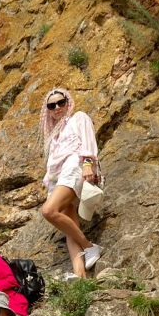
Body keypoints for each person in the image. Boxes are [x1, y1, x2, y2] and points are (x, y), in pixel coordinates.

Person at [37, 88, 102, 278]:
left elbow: (88, 141)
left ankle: (90, 246)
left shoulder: (78, 118)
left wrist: (89, 164)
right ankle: (81, 277)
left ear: (68, 103)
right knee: (69, 228)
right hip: (57, 179)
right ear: (47, 110)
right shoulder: (54, 136)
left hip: (74, 169)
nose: (57, 107)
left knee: (48, 211)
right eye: (52, 105)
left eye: (61, 102)